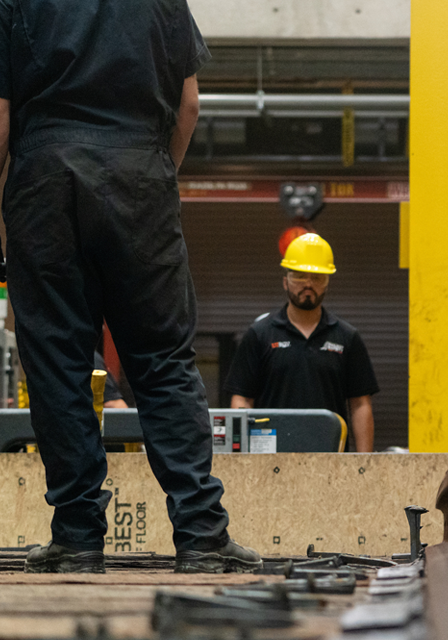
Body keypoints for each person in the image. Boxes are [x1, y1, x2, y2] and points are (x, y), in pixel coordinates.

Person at [0, 0, 260, 573]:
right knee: (163, 359)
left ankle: (76, 538)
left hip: (45, 179)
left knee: (58, 364)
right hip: (140, 173)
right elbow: (188, 104)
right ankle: (200, 535)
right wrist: (151, 178)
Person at [224, 233, 378, 453]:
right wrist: (241, 458)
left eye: (317, 277)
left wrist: (365, 466)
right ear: (285, 281)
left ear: (327, 283)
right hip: (270, 461)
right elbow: (242, 400)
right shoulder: (260, 335)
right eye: (299, 276)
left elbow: (360, 405)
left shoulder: (346, 338)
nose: (308, 284)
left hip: (330, 459)